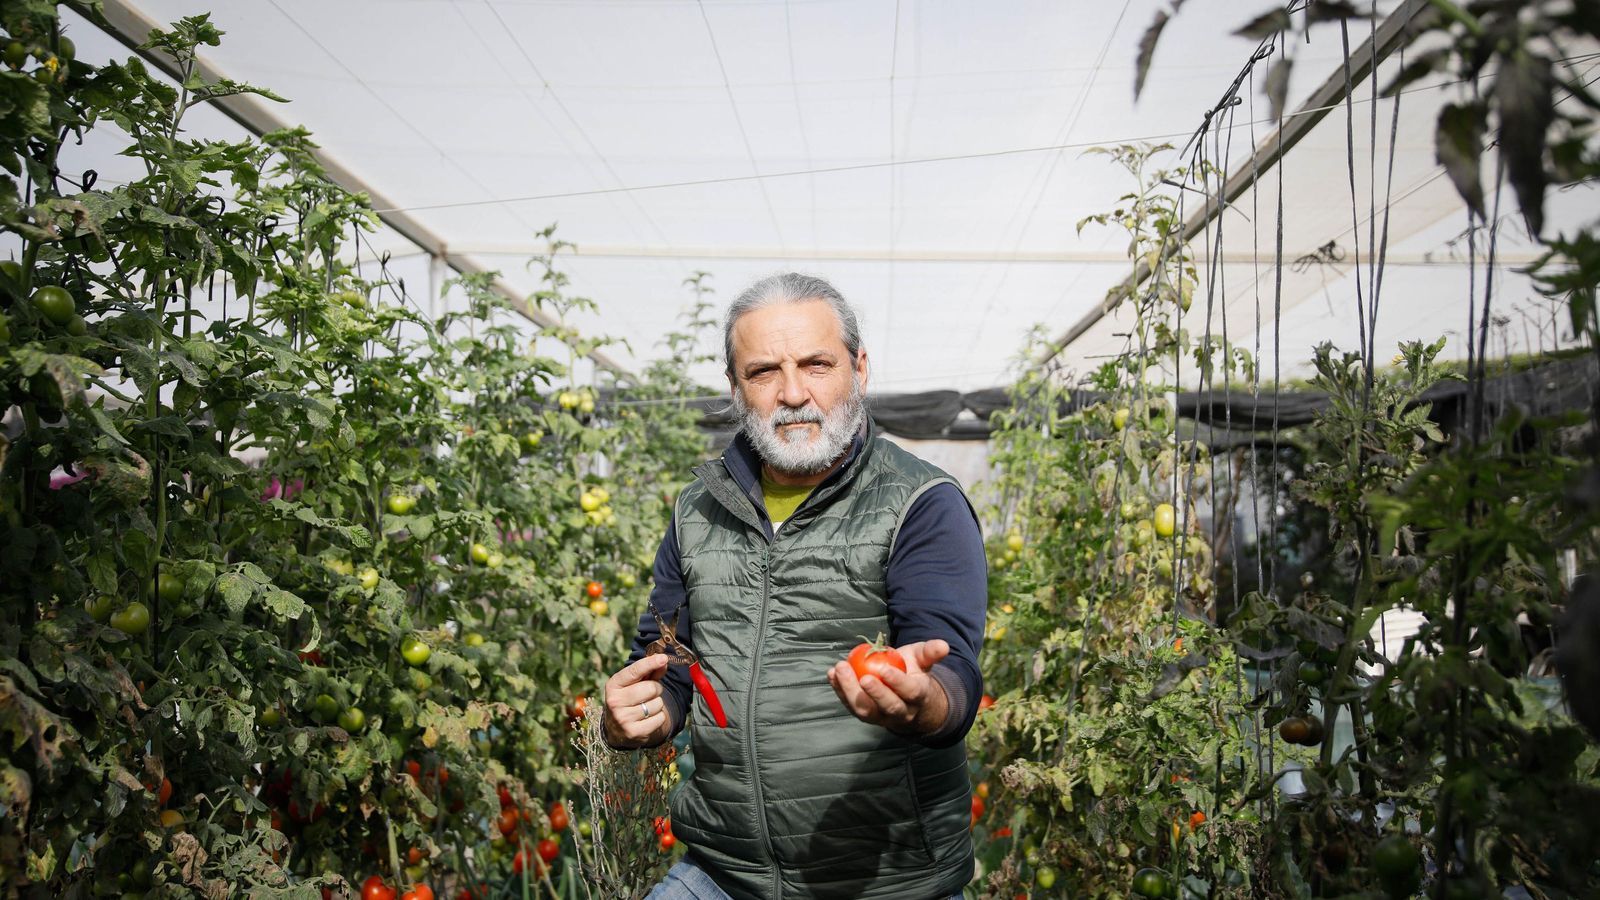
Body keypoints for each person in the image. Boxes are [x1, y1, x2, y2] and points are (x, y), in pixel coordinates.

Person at [601, 273, 988, 900]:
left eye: (816, 364)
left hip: (884, 879)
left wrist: (924, 701)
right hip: (724, 869)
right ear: (736, 388)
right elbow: (670, 660)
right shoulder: (698, 509)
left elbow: (952, 671)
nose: (793, 393)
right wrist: (642, 713)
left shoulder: (920, 502)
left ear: (859, 369)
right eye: (763, 372)